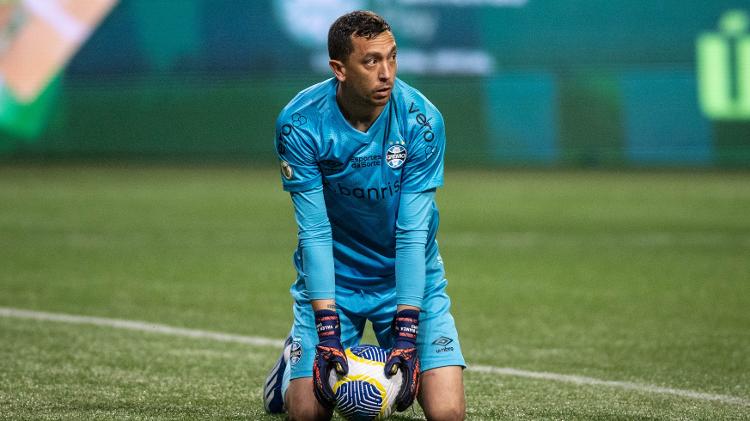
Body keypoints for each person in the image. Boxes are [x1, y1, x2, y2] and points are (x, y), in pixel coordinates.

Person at [264, 10, 465, 421]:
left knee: (447, 414)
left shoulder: (421, 121)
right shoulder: (300, 125)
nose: (386, 73)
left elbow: (412, 233)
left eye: (392, 57)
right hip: (336, 279)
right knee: (306, 415)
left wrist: (407, 331)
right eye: (371, 61)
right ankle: (289, 369)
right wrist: (326, 329)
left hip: (407, 278)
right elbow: (315, 233)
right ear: (339, 68)